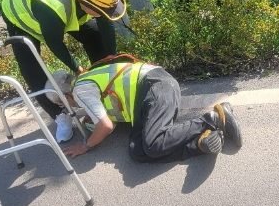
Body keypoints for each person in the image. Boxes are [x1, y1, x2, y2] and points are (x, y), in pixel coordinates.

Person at [1, 0, 126, 143]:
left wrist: (111, 61)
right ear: (85, 4)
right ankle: (60, 115)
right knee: (31, 69)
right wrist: (76, 68)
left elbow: (106, 24)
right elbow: (55, 44)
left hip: (58, 4)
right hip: (22, 13)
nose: (105, 15)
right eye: (100, 11)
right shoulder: (54, 9)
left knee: (96, 37)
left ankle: (103, 93)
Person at [45, 57, 243, 162]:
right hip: (147, 98)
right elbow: (111, 114)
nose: (69, 107)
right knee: (137, 152)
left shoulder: (80, 90)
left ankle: (214, 118)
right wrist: (94, 117)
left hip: (155, 87)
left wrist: (85, 145)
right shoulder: (85, 80)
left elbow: (104, 126)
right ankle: (201, 144)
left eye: (63, 104)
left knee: (154, 144)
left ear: (66, 96)